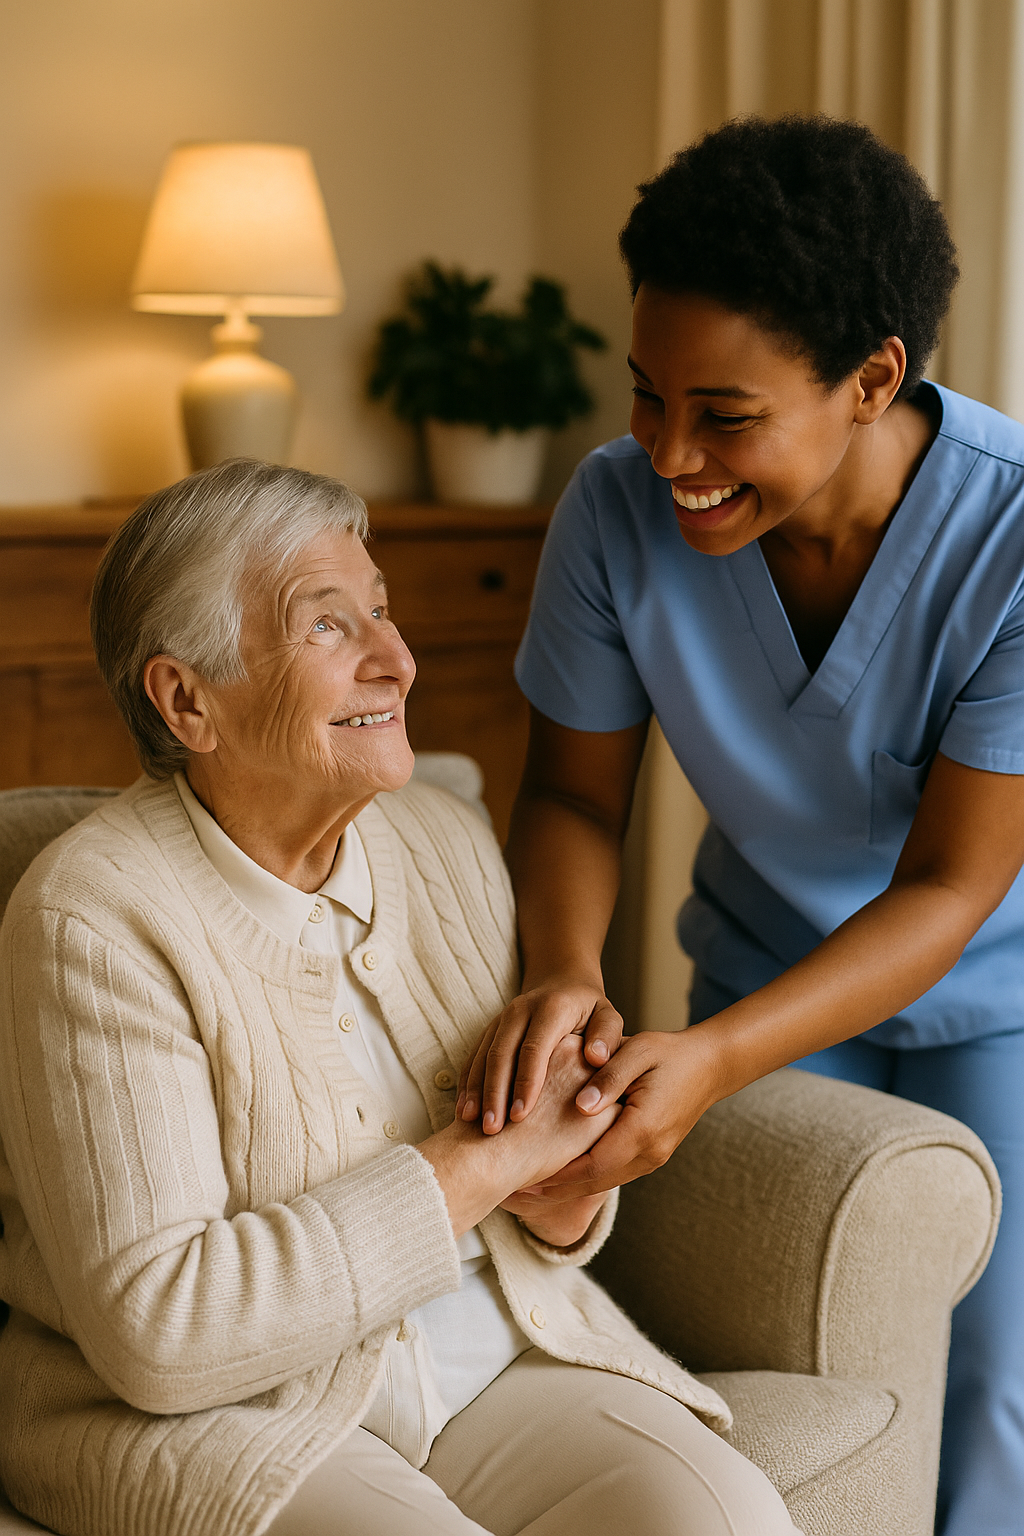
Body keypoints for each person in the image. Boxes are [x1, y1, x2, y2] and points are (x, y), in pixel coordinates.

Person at [0, 460, 797, 1536]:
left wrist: (563, 1186)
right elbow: (161, 1330)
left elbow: (530, 1200)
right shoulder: (94, 918)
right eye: (329, 628)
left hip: (482, 1358)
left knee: (724, 1518)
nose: (397, 659)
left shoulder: (445, 841)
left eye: (382, 610)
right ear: (188, 699)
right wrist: (488, 1164)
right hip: (218, 1419)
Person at [460, 115, 1024, 1536]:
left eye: (725, 416)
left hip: (1003, 987)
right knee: (754, 1344)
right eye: (646, 394)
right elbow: (575, 793)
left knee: (995, 1393)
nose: (666, 455)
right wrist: (568, 974)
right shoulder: (611, 512)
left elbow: (954, 885)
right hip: (767, 968)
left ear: (873, 377)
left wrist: (708, 1058)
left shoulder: (1010, 539)